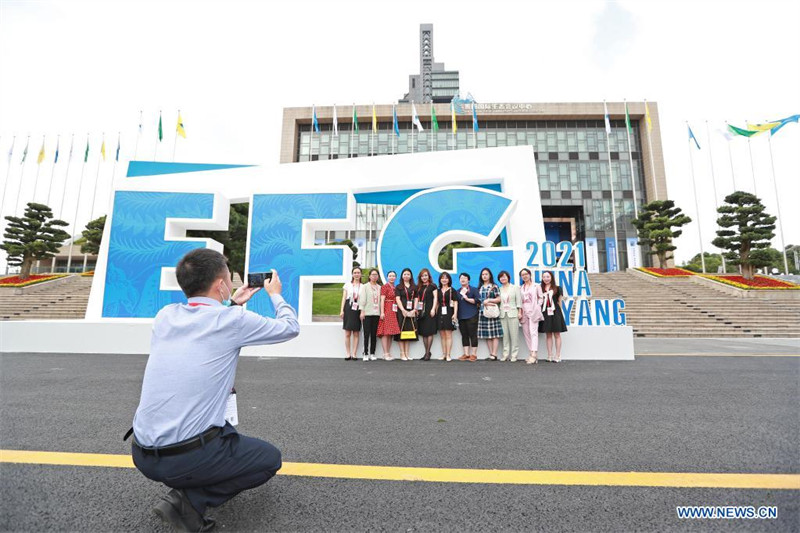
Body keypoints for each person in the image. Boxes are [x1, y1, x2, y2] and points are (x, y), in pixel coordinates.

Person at [130, 248, 298, 532]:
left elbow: (206, 325)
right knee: (269, 460)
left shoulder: (165, 316)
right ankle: (191, 500)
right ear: (220, 285)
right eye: (228, 279)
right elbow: (289, 327)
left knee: (221, 435)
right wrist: (275, 294)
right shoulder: (233, 321)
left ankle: (189, 488)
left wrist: (232, 302)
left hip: (141, 454)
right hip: (187, 458)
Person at [539, 270, 568, 362]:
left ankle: (558, 355)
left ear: (551, 277)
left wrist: (560, 313)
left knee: (557, 334)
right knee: (548, 335)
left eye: (548, 276)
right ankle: (549, 355)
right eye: (544, 277)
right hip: (545, 312)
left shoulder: (558, 288)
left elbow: (560, 301)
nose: (546, 279)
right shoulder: (540, 288)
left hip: (556, 313)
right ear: (542, 278)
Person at [519, 268, 544, 364]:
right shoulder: (521, 287)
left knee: (533, 332)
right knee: (526, 333)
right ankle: (531, 353)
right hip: (524, 312)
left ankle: (534, 353)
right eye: (522, 275)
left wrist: (537, 306)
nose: (525, 276)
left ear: (530, 274)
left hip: (533, 311)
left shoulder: (536, 286)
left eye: (526, 274)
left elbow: (541, 297)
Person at [497, 270, 522, 362]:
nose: (503, 278)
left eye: (504, 276)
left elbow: (519, 301)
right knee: (505, 336)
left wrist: (520, 312)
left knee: (514, 335)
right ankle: (505, 354)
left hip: (513, 313)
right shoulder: (499, 289)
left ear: (508, 277)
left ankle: (514, 355)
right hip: (503, 314)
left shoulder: (515, 288)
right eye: (501, 277)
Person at [477, 267, 502, 360]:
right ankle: (491, 354)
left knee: (495, 333)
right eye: (483, 274)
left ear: (490, 275)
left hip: (492, 312)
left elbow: (499, 299)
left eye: (486, 274)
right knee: (487, 334)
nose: (484, 276)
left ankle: (495, 354)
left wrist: (489, 300)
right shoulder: (479, 287)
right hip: (482, 312)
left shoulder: (494, 286)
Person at [414, 268, 438, 361]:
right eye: (422, 276)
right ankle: (426, 352)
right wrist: (416, 309)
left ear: (429, 276)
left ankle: (428, 353)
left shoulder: (433, 286)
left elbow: (435, 298)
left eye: (426, 275)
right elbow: (417, 299)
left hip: (429, 310)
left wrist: (433, 309)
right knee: (423, 333)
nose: (424, 277)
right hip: (421, 311)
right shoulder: (419, 287)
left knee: (429, 332)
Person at [456, 273, 480, 361]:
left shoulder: (473, 289)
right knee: (464, 335)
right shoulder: (457, 291)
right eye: (461, 278)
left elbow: (478, 301)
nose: (463, 279)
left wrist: (467, 299)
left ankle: (473, 354)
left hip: (472, 315)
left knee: (473, 335)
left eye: (465, 278)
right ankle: (466, 354)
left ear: (468, 280)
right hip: (461, 316)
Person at [339, 266, 362, 360]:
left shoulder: (363, 286)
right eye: (355, 273)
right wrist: (341, 310)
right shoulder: (347, 285)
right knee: (347, 333)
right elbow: (344, 297)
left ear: (361, 274)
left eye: (358, 273)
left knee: (356, 333)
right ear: (352, 274)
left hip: (358, 308)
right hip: (348, 307)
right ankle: (348, 353)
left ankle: (354, 353)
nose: (356, 274)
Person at [377, 270, 401, 360]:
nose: (392, 277)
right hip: (387, 309)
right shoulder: (384, 287)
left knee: (391, 333)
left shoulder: (395, 287)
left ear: (395, 277)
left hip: (393, 310)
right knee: (385, 332)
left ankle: (388, 352)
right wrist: (382, 312)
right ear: (387, 277)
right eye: (390, 276)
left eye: (393, 276)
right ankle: (385, 353)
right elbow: (382, 300)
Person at [394, 268, 417, 361]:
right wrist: (403, 310)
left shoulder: (414, 287)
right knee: (401, 330)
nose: (406, 276)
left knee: (408, 332)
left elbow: (416, 299)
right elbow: (397, 299)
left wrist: (414, 310)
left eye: (408, 274)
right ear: (402, 276)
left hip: (411, 311)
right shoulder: (399, 287)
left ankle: (407, 353)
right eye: (404, 274)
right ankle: (402, 353)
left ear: (411, 276)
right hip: (401, 312)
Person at [359, 269, 382, 361]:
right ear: (369, 276)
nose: (374, 276)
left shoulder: (380, 287)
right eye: (373, 275)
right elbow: (362, 299)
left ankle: (372, 353)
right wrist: (362, 311)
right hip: (367, 313)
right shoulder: (365, 287)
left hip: (376, 313)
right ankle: (365, 353)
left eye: (376, 275)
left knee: (374, 334)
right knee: (366, 334)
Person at [436, 272, 459, 361]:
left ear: (449, 280)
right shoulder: (438, 290)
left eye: (446, 278)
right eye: (442, 278)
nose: (444, 280)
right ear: (440, 280)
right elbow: (437, 303)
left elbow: (456, 302)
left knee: (448, 335)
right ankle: (444, 354)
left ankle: (449, 355)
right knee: (442, 335)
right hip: (440, 313)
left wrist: (455, 313)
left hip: (449, 312)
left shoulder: (452, 290)